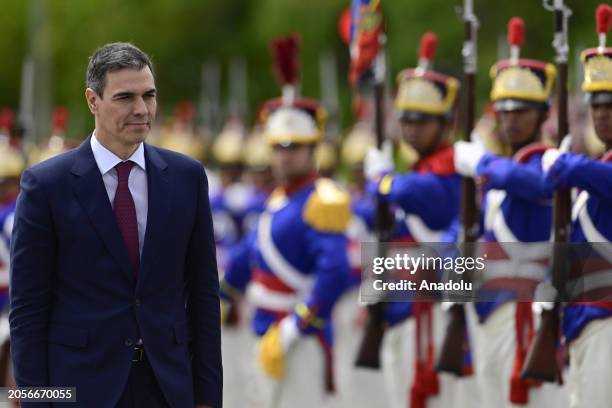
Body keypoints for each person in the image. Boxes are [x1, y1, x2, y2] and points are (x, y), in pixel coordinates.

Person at [9, 42, 221, 408]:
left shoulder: (187, 177)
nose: (142, 109)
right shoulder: (46, 186)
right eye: (125, 97)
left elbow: (203, 295)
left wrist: (207, 398)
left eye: (149, 96)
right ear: (93, 101)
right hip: (79, 389)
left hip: (167, 387)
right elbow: (28, 310)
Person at [454, 17, 566, 407]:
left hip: (521, 320)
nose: (510, 118)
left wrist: (481, 162)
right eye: (503, 110)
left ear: (542, 113)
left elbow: (536, 184)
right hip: (485, 317)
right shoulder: (503, 170)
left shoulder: (544, 164)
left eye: (521, 110)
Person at [540, 8, 612, 405]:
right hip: (583, 323)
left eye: (611, 106)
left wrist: (564, 164)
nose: (602, 114)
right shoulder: (593, 169)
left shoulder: (590, 172)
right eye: (596, 105)